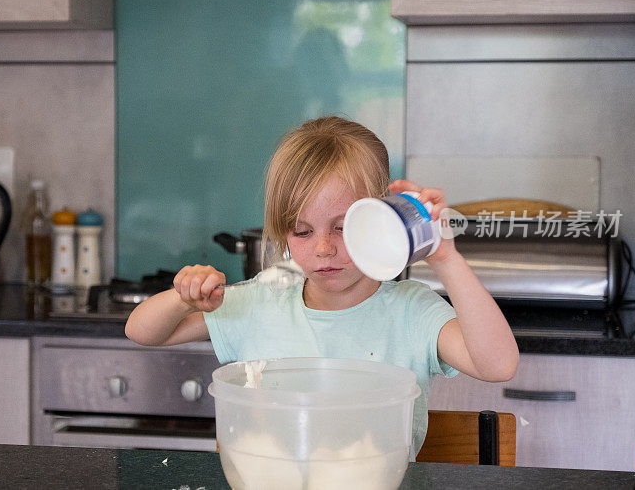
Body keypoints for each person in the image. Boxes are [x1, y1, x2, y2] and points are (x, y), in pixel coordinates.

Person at [125, 116, 519, 456]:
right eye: (301, 231)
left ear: (379, 219)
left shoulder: (411, 312)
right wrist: (183, 298)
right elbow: (141, 331)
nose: (323, 248)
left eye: (343, 227)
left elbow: (498, 365)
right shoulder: (262, 301)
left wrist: (445, 258)